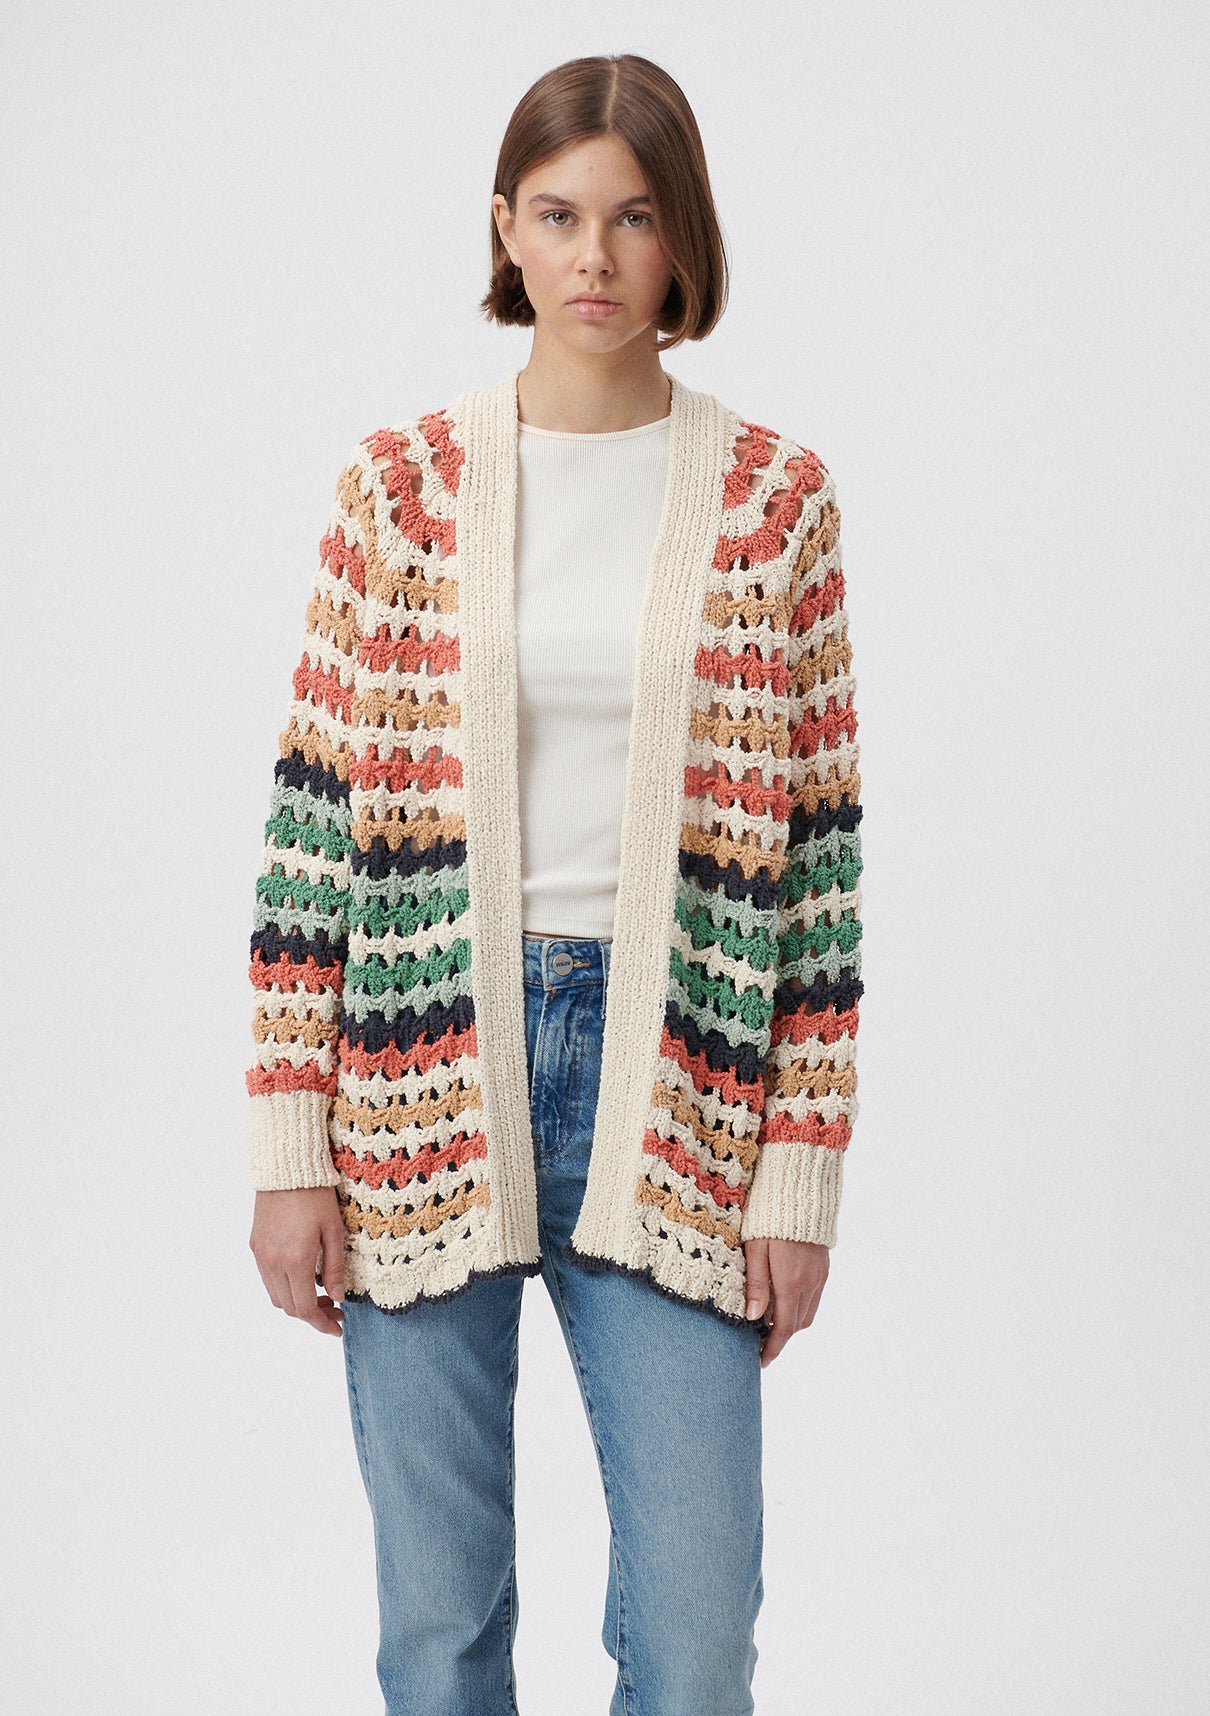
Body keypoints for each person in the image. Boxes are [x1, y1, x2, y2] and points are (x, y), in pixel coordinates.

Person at [245, 51, 864, 1716]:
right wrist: (290, 1146)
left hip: (685, 1084)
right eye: (559, 214)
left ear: (683, 242)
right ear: (505, 232)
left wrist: (797, 1173)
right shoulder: (399, 490)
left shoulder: (773, 502)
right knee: (439, 1626)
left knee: (694, 1635)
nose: (595, 257)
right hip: (417, 1069)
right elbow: (312, 828)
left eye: (634, 218)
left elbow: (818, 866)